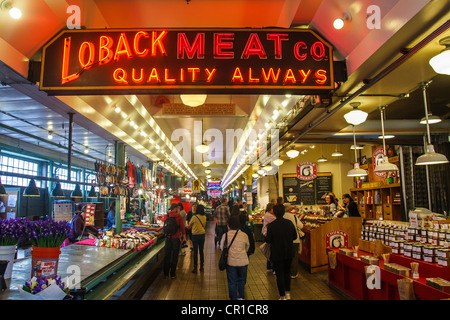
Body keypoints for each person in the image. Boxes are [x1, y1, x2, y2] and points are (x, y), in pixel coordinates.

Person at [265, 204, 297, 300]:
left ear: (274, 212)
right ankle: (288, 293)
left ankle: (282, 296)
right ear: (283, 212)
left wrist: (266, 236)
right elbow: (294, 237)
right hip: (288, 252)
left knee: (279, 274)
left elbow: (268, 240)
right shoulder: (289, 223)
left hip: (277, 253)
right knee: (287, 272)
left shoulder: (271, 226)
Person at [220, 215, 250, 300]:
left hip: (231, 262)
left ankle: (233, 298)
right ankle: (241, 297)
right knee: (241, 280)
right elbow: (247, 247)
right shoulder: (244, 235)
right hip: (243, 262)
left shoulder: (225, 235)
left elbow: (222, 248)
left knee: (232, 282)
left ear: (228, 225)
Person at [163, 203, 186, 279]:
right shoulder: (179, 217)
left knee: (167, 255)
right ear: (176, 209)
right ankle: (172, 273)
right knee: (175, 256)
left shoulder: (166, 216)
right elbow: (182, 228)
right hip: (176, 238)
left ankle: (166, 273)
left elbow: (164, 226)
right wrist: (184, 237)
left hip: (168, 238)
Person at [283, 206, 304, 278]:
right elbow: (301, 226)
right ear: (290, 209)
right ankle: (293, 273)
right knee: (294, 256)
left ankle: (286, 272)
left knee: (285, 256)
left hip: (284, 240)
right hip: (295, 240)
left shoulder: (281, 216)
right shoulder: (294, 217)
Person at [188, 204, 207, 273]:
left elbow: (189, 226)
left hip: (195, 236)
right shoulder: (204, 217)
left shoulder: (194, 217)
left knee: (195, 252)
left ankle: (195, 267)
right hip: (202, 235)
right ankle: (201, 265)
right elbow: (204, 226)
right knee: (201, 250)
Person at [262, 203, 276, 272]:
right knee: (271, 251)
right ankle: (272, 267)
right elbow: (276, 220)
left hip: (267, 233)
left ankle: (269, 267)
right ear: (271, 209)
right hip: (268, 234)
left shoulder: (268, 214)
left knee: (269, 251)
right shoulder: (270, 216)